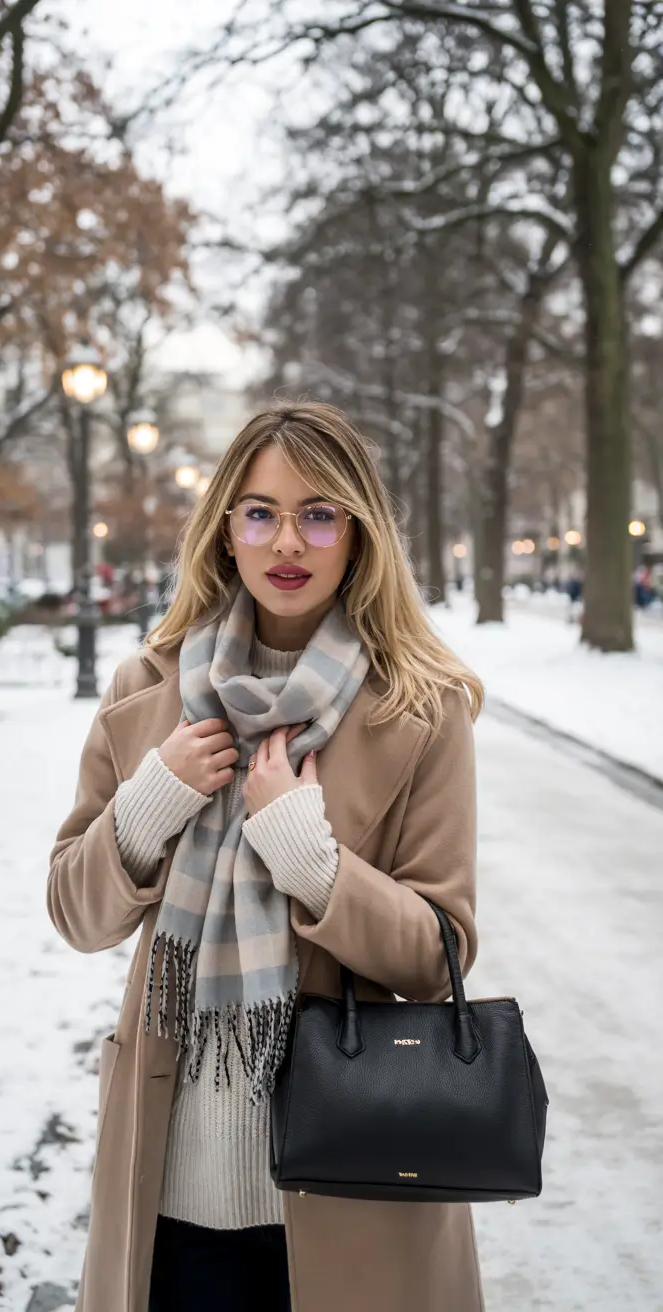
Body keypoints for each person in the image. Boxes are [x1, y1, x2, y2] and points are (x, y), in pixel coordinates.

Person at [48, 401, 485, 1312]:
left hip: (349, 1181)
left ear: (358, 535)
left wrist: (306, 854)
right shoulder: (147, 692)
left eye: (319, 512)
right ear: (225, 533)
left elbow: (436, 950)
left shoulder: (422, 706)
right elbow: (75, 914)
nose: (289, 538)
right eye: (260, 511)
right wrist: (152, 799)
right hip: (166, 1184)